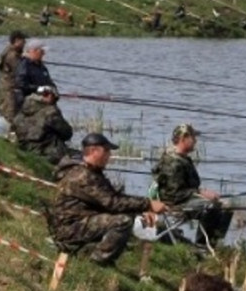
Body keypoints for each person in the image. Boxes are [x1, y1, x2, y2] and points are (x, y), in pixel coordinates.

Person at [48, 133, 167, 266]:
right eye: (106, 151)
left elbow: (114, 198)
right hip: (69, 228)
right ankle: (96, 261)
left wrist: (141, 210)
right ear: (94, 151)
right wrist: (148, 204)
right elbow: (112, 203)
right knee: (122, 221)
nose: (109, 156)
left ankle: (88, 251)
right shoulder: (83, 175)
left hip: (79, 221)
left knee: (128, 214)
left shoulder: (92, 172)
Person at [152, 123, 232, 247]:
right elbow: (174, 194)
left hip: (185, 198)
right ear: (183, 139)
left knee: (226, 206)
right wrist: (200, 193)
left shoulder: (183, 158)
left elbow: (185, 187)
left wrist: (202, 192)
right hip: (175, 204)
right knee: (211, 207)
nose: (195, 141)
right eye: (193, 138)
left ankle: (213, 242)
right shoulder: (173, 162)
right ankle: (202, 245)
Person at [12, 85, 73, 164]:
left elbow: (14, 125)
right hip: (44, 151)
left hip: (23, 147)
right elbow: (67, 133)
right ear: (49, 96)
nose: (55, 103)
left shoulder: (24, 106)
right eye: (55, 100)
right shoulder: (51, 112)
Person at [13, 38, 53, 113]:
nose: (43, 54)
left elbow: (49, 82)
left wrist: (52, 92)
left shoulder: (41, 66)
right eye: (41, 51)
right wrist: (39, 89)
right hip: (28, 100)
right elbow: (21, 84)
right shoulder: (24, 65)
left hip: (43, 97)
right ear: (33, 51)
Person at [0, 30, 26, 124]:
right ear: (17, 41)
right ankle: (8, 133)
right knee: (10, 112)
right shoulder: (12, 55)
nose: (25, 43)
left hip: (8, 87)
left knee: (8, 110)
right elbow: (19, 70)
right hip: (9, 88)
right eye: (23, 41)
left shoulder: (11, 50)